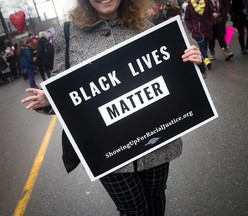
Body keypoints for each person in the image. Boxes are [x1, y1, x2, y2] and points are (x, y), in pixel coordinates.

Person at [21, 0, 203, 215]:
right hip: (108, 150)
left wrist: (193, 63)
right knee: (133, 210)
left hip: (156, 142)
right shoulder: (69, 34)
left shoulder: (145, 25)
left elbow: (172, 70)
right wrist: (49, 97)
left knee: (155, 200)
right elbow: (62, 82)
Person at [185, 0, 214, 70]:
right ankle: (207, 61)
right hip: (197, 30)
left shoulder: (206, 3)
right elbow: (187, 19)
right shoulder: (189, 6)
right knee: (202, 45)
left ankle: (206, 57)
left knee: (206, 44)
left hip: (207, 28)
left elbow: (211, 13)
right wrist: (191, 28)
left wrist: (211, 22)